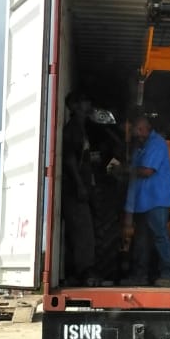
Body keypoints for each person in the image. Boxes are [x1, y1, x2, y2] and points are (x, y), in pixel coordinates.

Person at [124, 114, 170, 286]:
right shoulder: (142, 147)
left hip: (157, 200)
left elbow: (147, 171)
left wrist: (125, 171)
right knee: (141, 240)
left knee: (160, 236)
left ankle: (167, 276)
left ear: (144, 129)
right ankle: (140, 277)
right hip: (144, 202)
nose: (135, 134)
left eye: (136, 130)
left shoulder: (157, 144)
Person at [62, 92, 96, 284]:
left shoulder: (81, 129)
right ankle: (84, 272)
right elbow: (70, 159)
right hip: (74, 190)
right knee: (84, 231)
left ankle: (77, 272)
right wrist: (80, 185)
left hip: (79, 187)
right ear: (75, 106)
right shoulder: (73, 129)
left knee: (79, 231)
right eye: (85, 101)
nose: (88, 105)